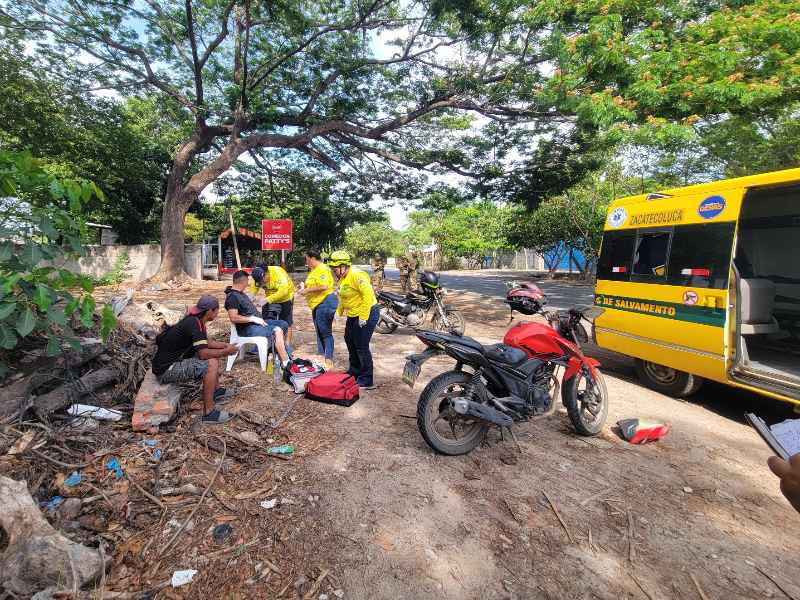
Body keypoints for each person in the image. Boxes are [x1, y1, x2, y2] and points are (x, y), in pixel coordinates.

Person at [152, 295, 239, 424]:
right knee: (211, 364)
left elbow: (205, 342)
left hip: (169, 363)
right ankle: (209, 413)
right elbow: (203, 354)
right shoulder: (194, 323)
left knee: (214, 357)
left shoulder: (196, 320)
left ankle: (216, 391)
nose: (217, 313)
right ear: (210, 311)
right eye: (216, 310)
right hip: (166, 370)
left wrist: (225, 345)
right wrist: (226, 351)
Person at [328, 250, 379, 389]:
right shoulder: (343, 278)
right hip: (353, 314)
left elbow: (368, 295)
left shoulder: (357, 274)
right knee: (349, 341)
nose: (333, 271)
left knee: (361, 346)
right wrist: (338, 313)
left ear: (343, 266)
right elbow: (343, 297)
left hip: (367, 312)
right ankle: (355, 372)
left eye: (335, 268)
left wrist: (363, 317)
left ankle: (367, 379)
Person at [225, 270, 292, 368]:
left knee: (283, 324)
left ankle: (274, 350)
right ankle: (286, 363)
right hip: (247, 328)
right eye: (247, 281)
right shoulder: (233, 297)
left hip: (257, 323)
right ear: (242, 282)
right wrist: (252, 319)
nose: (248, 284)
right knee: (277, 330)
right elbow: (233, 318)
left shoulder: (241, 294)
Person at [297, 249, 338, 370]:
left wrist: (307, 290)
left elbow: (324, 286)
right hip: (317, 304)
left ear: (312, 258)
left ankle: (328, 359)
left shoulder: (322, 268)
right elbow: (315, 285)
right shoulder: (314, 270)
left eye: (307, 259)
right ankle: (321, 357)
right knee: (319, 331)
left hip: (325, 302)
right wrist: (304, 287)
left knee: (325, 332)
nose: (306, 262)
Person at [250, 264, 295, 345]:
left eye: (263, 281)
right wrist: (250, 297)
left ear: (267, 273)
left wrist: (267, 300)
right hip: (270, 298)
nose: (262, 283)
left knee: (286, 322)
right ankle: (267, 343)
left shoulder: (278, 273)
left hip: (286, 297)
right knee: (266, 320)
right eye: (260, 281)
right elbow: (253, 289)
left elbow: (283, 291)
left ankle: (287, 345)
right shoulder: (257, 276)